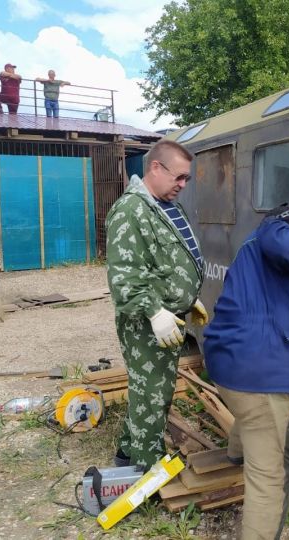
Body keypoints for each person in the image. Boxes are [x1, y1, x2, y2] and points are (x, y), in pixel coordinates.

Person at [203, 203, 289, 540]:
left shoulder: (258, 263)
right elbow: (283, 240)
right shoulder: (272, 231)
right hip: (259, 376)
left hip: (227, 366)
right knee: (271, 478)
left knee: (255, 414)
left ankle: (236, 454)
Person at [105, 139, 208, 470]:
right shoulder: (130, 211)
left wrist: (188, 299)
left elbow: (167, 261)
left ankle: (125, 455)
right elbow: (125, 280)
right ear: (155, 167)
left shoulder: (166, 206)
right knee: (152, 396)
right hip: (146, 322)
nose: (182, 185)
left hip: (170, 317)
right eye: (179, 177)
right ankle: (145, 472)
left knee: (152, 391)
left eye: (186, 179)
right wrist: (155, 311)